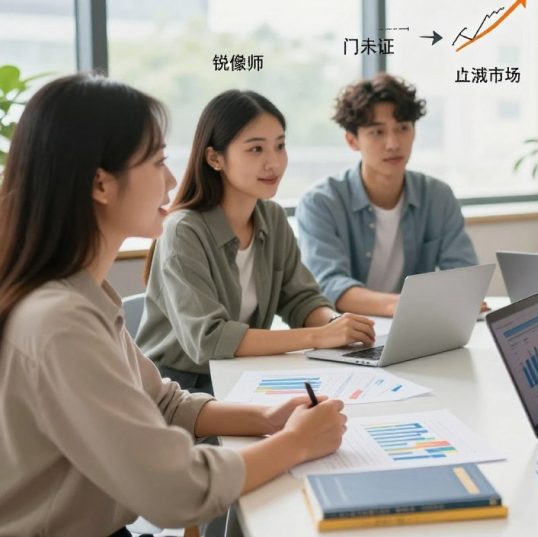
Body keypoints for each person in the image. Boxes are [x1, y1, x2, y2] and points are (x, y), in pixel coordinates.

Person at [0, 74, 347, 536]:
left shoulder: (82, 296)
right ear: (101, 184)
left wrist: (268, 418)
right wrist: (294, 445)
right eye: (157, 161)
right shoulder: (60, 321)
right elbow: (178, 492)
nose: (169, 179)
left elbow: (162, 402)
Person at [138, 90, 374, 394]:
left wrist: (338, 325)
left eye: (280, 146)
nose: (273, 162)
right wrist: (319, 337)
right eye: (255, 149)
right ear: (215, 158)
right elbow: (209, 340)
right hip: (180, 388)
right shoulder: (183, 230)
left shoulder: (272, 217)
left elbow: (300, 299)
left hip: (244, 373)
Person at [297, 73, 478, 317]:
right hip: (349, 335)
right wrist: (408, 305)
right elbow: (328, 286)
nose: (393, 143)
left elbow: (463, 276)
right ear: (352, 140)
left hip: (417, 328)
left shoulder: (438, 196)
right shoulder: (320, 203)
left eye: (403, 128)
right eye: (377, 132)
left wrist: (458, 301)